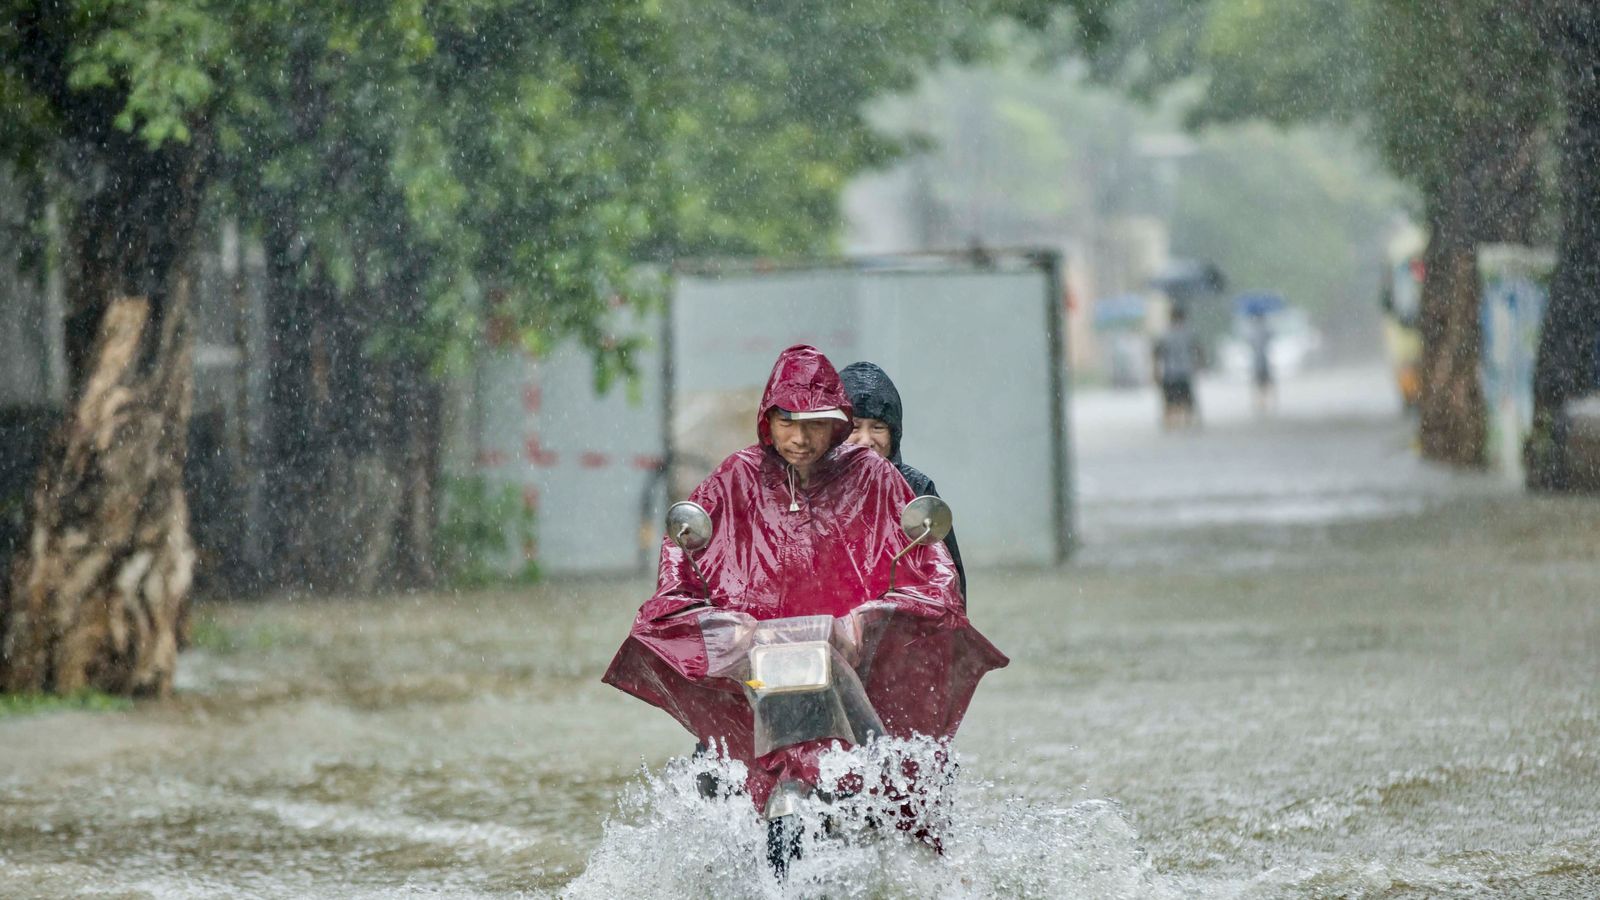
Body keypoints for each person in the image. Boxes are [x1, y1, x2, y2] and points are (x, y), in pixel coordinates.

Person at [602, 344, 1005, 816]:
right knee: (714, 774)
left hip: (853, 656)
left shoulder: (883, 481)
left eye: (816, 423)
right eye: (788, 422)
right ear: (767, 421)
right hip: (764, 660)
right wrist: (703, 612)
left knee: (901, 782)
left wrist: (875, 622)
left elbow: (938, 580)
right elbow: (686, 549)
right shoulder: (737, 476)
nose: (800, 438)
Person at [838, 361, 967, 602]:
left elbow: (948, 581)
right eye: (854, 428)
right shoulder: (814, 488)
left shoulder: (916, 489)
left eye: (877, 427)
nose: (865, 439)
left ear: (894, 433)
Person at [1153, 305, 1203, 430]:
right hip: (1185, 372)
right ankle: (1187, 426)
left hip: (1170, 373)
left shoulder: (1165, 334)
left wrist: (1155, 370)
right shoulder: (1189, 332)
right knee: (1187, 403)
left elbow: (1157, 353)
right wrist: (1198, 364)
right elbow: (1198, 349)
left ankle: (1171, 427)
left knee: (1170, 404)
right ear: (1183, 317)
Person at [1247, 309, 1276, 415]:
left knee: (1258, 384)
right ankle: (1264, 402)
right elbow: (1271, 337)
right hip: (1263, 361)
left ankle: (1260, 403)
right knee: (1266, 383)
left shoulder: (1251, 330)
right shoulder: (1265, 329)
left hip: (1257, 362)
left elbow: (1249, 343)